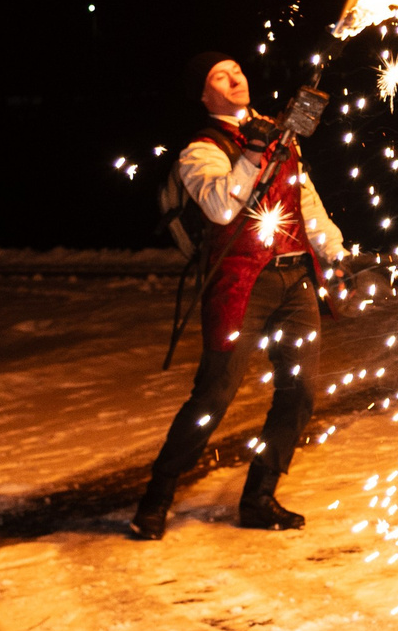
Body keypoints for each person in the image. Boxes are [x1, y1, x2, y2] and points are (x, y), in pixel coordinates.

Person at [129, 54, 345, 540]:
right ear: (204, 94)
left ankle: (259, 497)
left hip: (295, 282)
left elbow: (302, 197)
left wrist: (334, 248)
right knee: (215, 394)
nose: (236, 78)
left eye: (238, 70)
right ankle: (158, 495)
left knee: (301, 393)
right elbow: (221, 208)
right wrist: (251, 155)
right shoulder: (200, 150)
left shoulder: (277, 133)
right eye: (220, 76)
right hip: (240, 286)